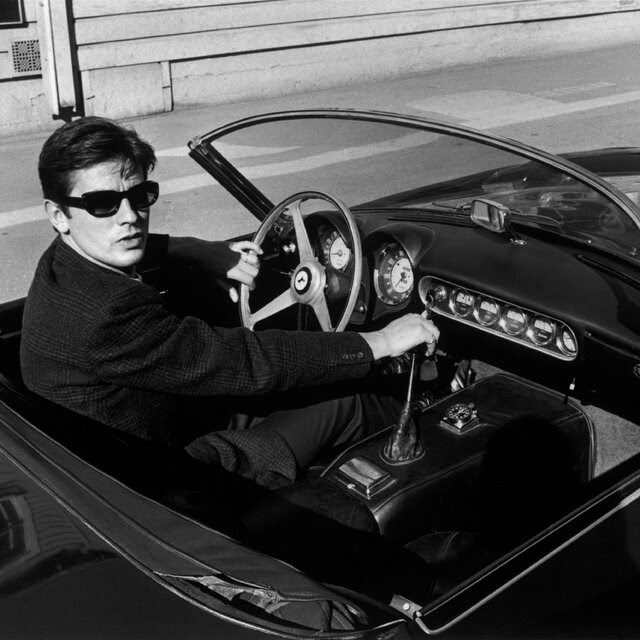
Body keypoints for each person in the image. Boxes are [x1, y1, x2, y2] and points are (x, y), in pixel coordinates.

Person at [20, 116, 439, 490]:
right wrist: (379, 342)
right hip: (170, 477)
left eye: (140, 195)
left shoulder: (65, 263)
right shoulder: (106, 314)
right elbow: (245, 361)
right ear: (58, 215)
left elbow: (136, 245)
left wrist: (201, 250)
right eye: (102, 204)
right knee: (348, 399)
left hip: (141, 434)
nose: (129, 217)